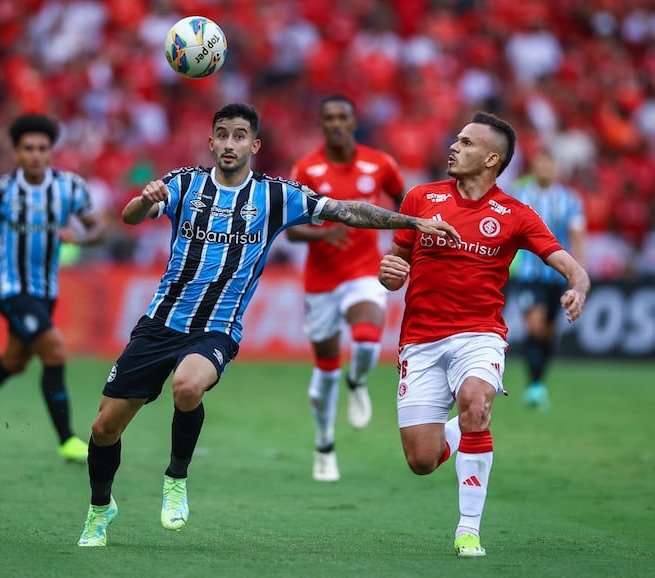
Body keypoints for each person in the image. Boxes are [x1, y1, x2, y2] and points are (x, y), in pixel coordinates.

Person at [77, 102, 459, 547]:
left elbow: (347, 211)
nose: (229, 143)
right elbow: (128, 217)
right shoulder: (184, 183)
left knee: (187, 387)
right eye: (222, 134)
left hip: (216, 328)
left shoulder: (276, 196)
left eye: (239, 136)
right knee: (104, 428)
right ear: (211, 141)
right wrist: (145, 200)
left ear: (254, 145)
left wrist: (412, 221)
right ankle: (100, 508)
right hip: (160, 324)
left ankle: (176, 479)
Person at [378, 111, 590, 557]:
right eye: (456, 140)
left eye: (467, 142)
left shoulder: (515, 214)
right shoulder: (419, 198)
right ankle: (463, 429)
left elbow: (569, 264)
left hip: (480, 334)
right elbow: (396, 266)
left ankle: (468, 530)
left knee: (476, 400)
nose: (454, 147)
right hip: (419, 340)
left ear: (491, 159)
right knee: (421, 460)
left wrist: (578, 286)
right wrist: (391, 273)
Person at [0, 113, 105, 463]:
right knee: (56, 352)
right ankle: (67, 441)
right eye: (28, 148)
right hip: (9, 286)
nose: (35, 154)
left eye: (42, 148)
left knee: (15, 362)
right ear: (16, 153)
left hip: (45, 291)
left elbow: (98, 230)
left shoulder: (70, 188)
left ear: (51, 152)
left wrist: (79, 235)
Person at [286, 95, 405, 482]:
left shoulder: (381, 163)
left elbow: (405, 203)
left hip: (364, 271)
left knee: (369, 339)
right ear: (322, 125)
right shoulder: (306, 168)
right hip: (321, 282)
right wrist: (320, 234)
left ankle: (359, 381)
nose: (336, 124)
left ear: (354, 123)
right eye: (329, 118)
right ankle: (324, 445)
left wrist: (404, 246)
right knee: (325, 368)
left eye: (343, 117)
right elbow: (289, 226)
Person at [509, 149, 586, 410]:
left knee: (550, 331)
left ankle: (538, 383)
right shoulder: (520, 196)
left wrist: (578, 274)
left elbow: (577, 236)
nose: (544, 170)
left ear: (555, 169)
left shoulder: (569, 199)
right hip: (529, 274)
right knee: (535, 326)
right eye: (540, 165)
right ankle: (534, 385)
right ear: (533, 167)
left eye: (549, 165)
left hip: (557, 275)